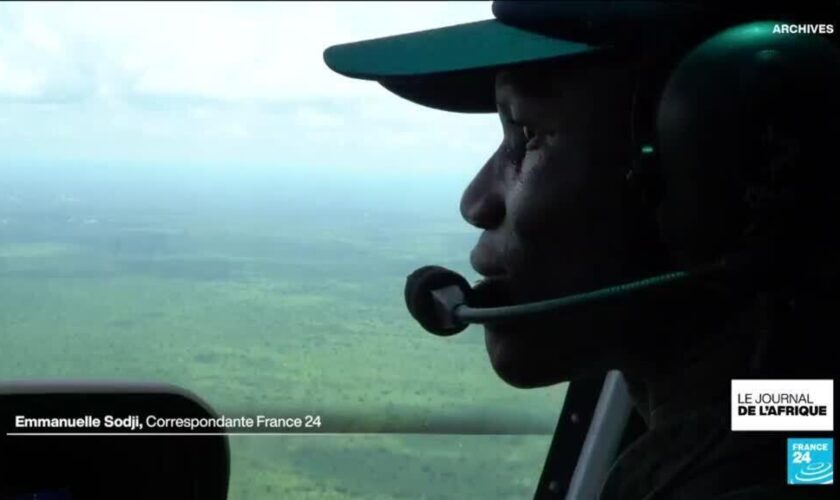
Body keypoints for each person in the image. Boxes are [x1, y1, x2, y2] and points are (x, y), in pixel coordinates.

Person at [325, 1, 839, 498]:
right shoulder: (784, 430)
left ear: (722, 158)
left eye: (527, 133)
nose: (476, 202)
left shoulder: (766, 471)